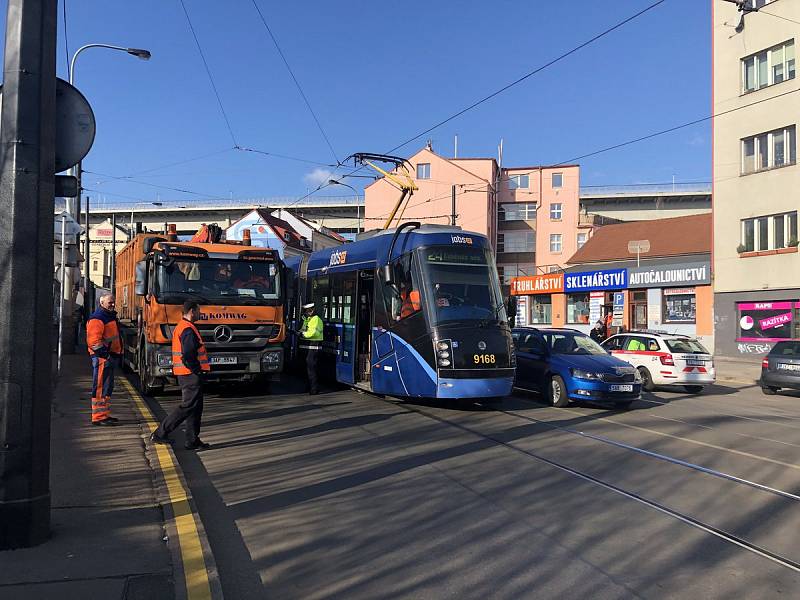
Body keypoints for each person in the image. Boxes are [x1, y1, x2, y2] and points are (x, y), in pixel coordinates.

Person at [151, 301, 211, 450]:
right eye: (198, 311)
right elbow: (188, 354)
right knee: (187, 406)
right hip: (190, 374)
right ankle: (160, 433)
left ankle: (192, 439)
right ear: (192, 311)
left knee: (195, 408)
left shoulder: (184, 327)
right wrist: (197, 370)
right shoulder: (187, 329)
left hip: (187, 373)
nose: (200, 314)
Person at [86, 294, 122, 426]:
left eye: (113, 302)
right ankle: (98, 417)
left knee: (107, 387)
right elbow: (94, 342)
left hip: (107, 356)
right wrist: (105, 355)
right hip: (102, 357)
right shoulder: (98, 318)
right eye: (109, 302)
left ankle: (103, 415)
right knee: (100, 388)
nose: (112, 304)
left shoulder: (107, 316)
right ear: (101, 303)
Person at [298, 302, 323, 395]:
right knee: (307, 369)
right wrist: (299, 332)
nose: (308, 312)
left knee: (312, 369)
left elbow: (313, 333)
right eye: (306, 311)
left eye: (309, 310)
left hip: (314, 347)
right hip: (308, 346)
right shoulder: (308, 319)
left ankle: (314, 389)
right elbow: (304, 329)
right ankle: (309, 387)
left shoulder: (316, 319)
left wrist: (302, 334)